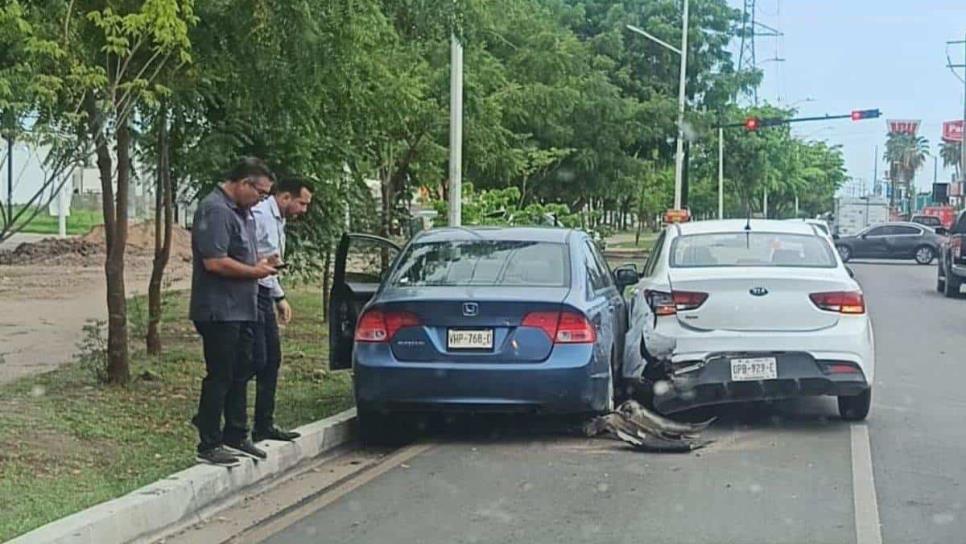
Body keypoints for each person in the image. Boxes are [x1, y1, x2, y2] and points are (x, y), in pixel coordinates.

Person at [189, 157, 277, 466]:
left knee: (245, 368)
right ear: (243, 183)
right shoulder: (215, 210)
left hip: (242, 307)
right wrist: (255, 272)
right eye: (261, 193)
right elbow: (214, 262)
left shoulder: (241, 213)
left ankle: (236, 433)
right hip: (219, 309)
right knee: (221, 374)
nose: (262, 200)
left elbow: (241, 255)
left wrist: (264, 263)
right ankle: (209, 441)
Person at [250, 177, 313, 443]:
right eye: (302, 203)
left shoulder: (279, 219)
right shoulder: (261, 216)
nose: (304, 210)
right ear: (285, 197)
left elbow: (271, 263)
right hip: (250, 292)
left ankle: (264, 423)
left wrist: (280, 297)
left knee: (271, 359)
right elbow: (248, 257)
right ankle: (237, 426)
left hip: (265, 290)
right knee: (255, 359)